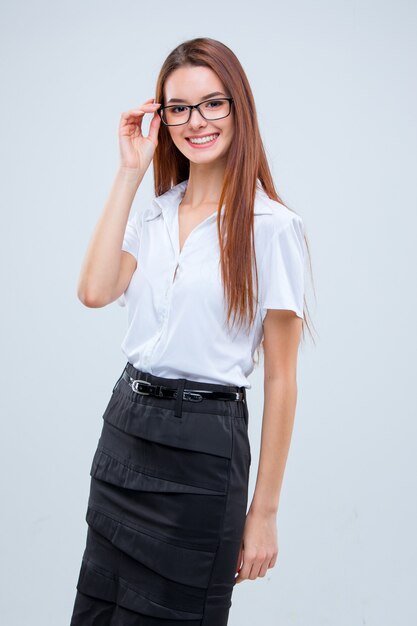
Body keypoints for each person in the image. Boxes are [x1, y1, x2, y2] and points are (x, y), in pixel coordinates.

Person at [70, 37, 313, 626]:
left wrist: (265, 513)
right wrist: (130, 171)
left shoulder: (273, 228)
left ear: (238, 109)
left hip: (204, 450)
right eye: (178, 108)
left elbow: (282, 379)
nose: (195, 122)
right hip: (125, 436)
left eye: (212, 104)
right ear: (162, 117)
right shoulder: (153, 212)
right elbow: (95, 291)